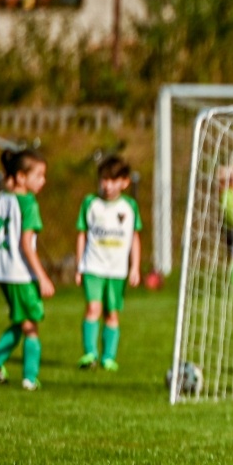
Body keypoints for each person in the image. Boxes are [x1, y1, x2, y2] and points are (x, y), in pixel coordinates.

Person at [0, 150, 54, 391]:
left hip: (1, 271)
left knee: (20, 321)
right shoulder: (29, 203)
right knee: (31, 325)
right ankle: (29, 378)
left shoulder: (3, 197)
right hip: (21, 273)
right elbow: (26, 244)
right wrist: (42, 277)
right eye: (39, 175)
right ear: (21, 177)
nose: (43, 181)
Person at [75, 156, 143, 371]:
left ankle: (108, 357)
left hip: (117, 270)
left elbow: (134, 238)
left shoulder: (129, 206)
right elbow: (81, 235)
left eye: (113, 180)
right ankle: (89, 354)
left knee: (112, 313)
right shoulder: (90, 203)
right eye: (104, 180)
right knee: (92, 308)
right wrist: (79, 266)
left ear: (124, 182)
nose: (107, 185)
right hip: (93, 266)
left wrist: (135, 267)